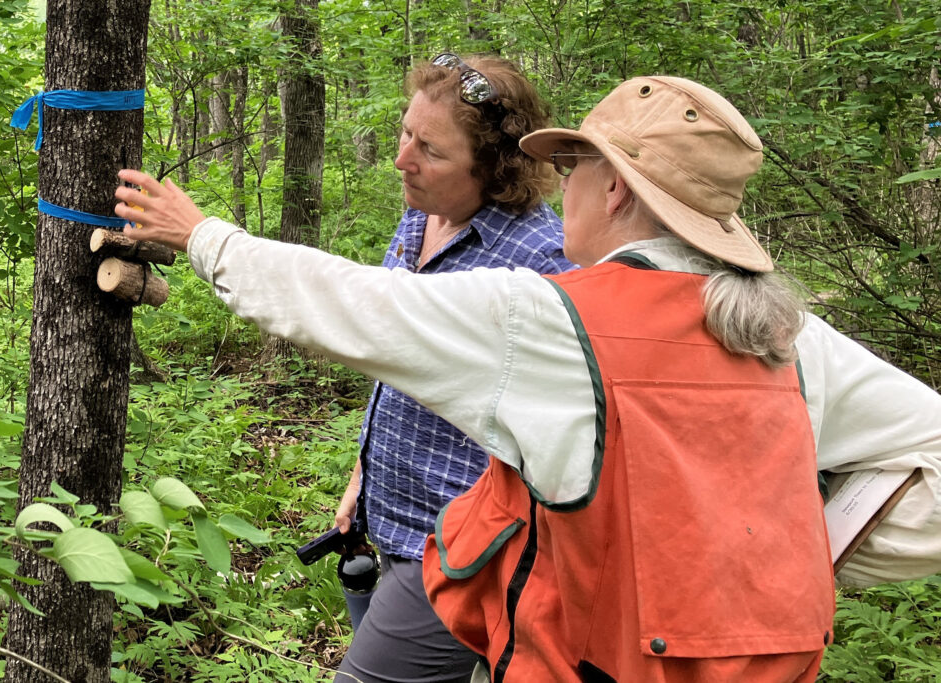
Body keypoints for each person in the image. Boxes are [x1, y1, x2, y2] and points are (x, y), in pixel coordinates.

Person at [114, 75, 941, 682]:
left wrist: (203, 237)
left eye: (575, 165)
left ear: (615, 186)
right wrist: (779, 555)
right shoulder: (784, 329)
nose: (562, 184)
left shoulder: (550, 318)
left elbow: (357, 308)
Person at [332, 53, 573, 681]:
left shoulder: (542, 264)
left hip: (468, 548)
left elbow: (568, 431)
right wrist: (364, 474)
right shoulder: (423, 214)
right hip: (395, 517)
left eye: (430, 149)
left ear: (494, 168)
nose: (402, 159)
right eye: (406, 132)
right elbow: (401, 357)